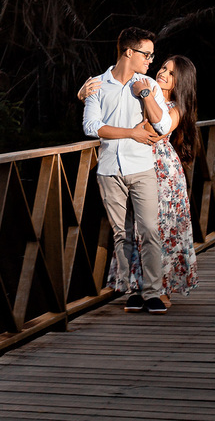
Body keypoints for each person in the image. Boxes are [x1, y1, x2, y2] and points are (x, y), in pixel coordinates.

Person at [79, 55, 200, 303]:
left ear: (181, 82)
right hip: (130, 166)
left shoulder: (174, 107)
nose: (163, 73)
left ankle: (161, 290)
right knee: (132, 229)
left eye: (171, 73)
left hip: (162, 174)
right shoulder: (140, 91)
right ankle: (136, 287)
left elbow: (156, 129)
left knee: (160, 229)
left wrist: (145, 95)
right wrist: (85, 96)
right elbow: (106, 115)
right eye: (163, 67)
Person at [82, 27, 171, 314]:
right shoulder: (96, 85)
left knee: (149, 231)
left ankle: (153, 293)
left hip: (142, 168)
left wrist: (145, 94)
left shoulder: (149, 85)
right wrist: (130, 133)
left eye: (152, 55)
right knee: (122, 234)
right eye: (147, 54)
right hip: (109, 170)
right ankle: (131, 290)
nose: (150, 60)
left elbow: (163, 126)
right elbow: (91, 127)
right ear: (128, 52)